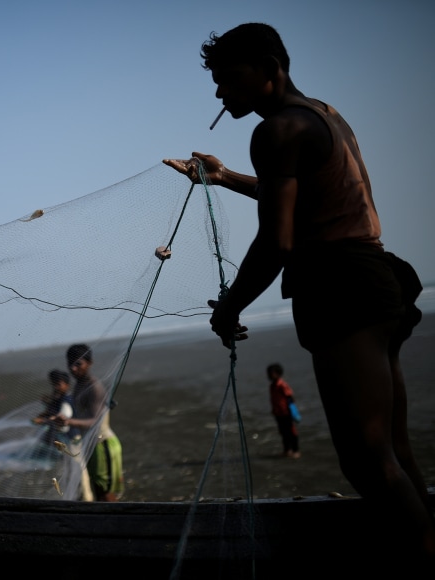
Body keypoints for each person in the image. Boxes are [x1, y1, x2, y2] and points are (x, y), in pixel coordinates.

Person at [163, 22, 434, 563]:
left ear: (270, 67)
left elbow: (277, 239)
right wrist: (223, 177)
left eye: (230, 78)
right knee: (393, 448)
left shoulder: (277, 130)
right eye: (216, 83)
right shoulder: (321, 113)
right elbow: (296, 193)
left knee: (366, 460)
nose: (221, 93)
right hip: (378, 279)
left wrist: (231, 306)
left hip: (341, 288)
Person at [54, 344, 124, 502]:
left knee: (105, 493)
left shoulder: (94, 387)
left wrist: (69, 421)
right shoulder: (79, 386)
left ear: (90, 363)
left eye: (78, 364)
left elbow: (94, 421)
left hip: (103, 444)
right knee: (97, 490)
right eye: (70, 364)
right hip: (91, 445)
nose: (73, 368)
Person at [31, 369, 76, 448]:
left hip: (69, 438)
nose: (56, 387)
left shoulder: (66, 401)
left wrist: (43, 420)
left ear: (67, 385)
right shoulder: (58, 398)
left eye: (59, 384)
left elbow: (62, 419)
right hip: (60, 436)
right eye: (54, 384)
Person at [266, 363, 300, 459]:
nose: (268, 375)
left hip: (286, 412)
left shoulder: (282, 385)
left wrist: (291, 409)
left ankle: (296, 450)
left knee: (291, 431)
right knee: (283, 432)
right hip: (278, 413)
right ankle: (287, 450)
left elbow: (290, 397)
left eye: (271, 373)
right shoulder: (272, 386)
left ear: (277, 373)